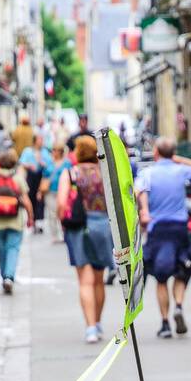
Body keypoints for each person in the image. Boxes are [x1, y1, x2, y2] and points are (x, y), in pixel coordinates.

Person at [134, 136, 191, 339]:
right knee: (182, 270)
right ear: (172, 153)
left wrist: (145, 211)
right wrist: (178, 159)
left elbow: (138, 191)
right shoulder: (179, 170)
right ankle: (179, 306)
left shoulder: (148, 173)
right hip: (179, 229)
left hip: (158, 230)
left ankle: (165, 323)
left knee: (161, 277)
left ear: (156, 152)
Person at [57, 133, 112, 344]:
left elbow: (62, 203)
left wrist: (63, 221)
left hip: (79, 227)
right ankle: (97, 322)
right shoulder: (104, 173)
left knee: (85, 281)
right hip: (102, 227)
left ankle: (89, 327)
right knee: (99, 280)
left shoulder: (71, 173)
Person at [0, 148, 33, 294]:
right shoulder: (18, 178)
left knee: (2, 250)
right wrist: (30, 218)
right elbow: (27, 201)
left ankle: (5, 275)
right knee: (13, 249)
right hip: (15, 221)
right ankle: (9, 277)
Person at [19, 132, 53, 233]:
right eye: (39, 139)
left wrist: (43, 163)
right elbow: (22, 162)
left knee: (40, 199)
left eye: (42, 140)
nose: (41, 142)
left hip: (41, 177)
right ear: (35, 141)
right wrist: (29, 165)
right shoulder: (28, 151)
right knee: (31, 198)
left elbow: (50, 163)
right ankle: (32, 220)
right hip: (30, 177)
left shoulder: (45, 152)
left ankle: (40, 222)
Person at [45, 144, 68, 242]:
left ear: (60, 152)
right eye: (53, 150)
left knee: (62, 211)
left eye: (55, 150)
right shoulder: (49, 163)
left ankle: (63, 233)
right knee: (52, 213)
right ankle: (54, 235)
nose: (53, 153)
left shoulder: (67, 163)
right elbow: (45, 176)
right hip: (50, 191)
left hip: (63, 191)